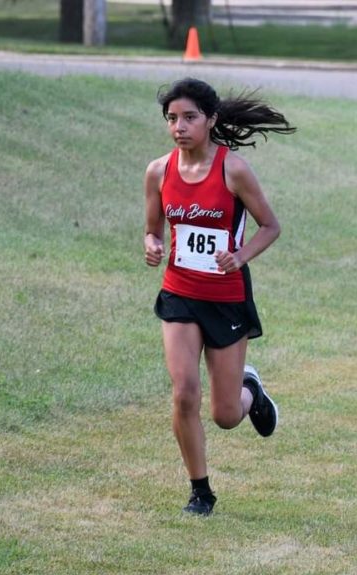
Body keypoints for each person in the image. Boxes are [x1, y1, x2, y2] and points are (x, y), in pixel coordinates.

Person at [143, 78, 296, 516]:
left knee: (226, 415)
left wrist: (240, 255)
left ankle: (251, 388)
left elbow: (271, 226)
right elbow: (153, 228)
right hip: (179, 293)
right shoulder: (158, 171)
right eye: (172, 118)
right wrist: (152, 244)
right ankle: (201, 491)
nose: (179, 127)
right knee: (184, 392)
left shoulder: (234, 170)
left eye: (190, 117)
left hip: (227, 297)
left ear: (210, 120)